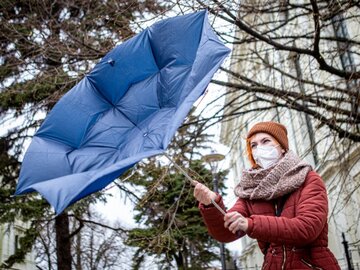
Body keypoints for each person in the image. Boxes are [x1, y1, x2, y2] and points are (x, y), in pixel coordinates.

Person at [194, 121, 340, 270]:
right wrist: (211, 204)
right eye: (254, 145)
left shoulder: (308, 178)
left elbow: (307, 228)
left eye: (266, 141)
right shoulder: (251, 190)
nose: (259, 148)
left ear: (282, 147)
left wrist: (251, 224)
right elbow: (226, 232)